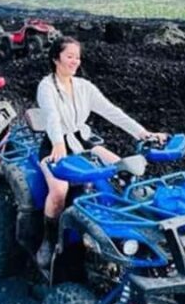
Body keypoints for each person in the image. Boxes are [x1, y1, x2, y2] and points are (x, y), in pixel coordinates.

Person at [35, 36, 168, 269]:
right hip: (54, 145)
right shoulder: (46, 87)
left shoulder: (84, 87)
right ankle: (48, 239)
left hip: (81, 140)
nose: (75, 61)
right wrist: (57, 143)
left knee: (123, 168)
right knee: (59, 190)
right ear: (56, 58)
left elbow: (111, 111)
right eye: (69, 56)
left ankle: (127, 230)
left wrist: (143, 133)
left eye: (77, 57)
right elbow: (52, 117)